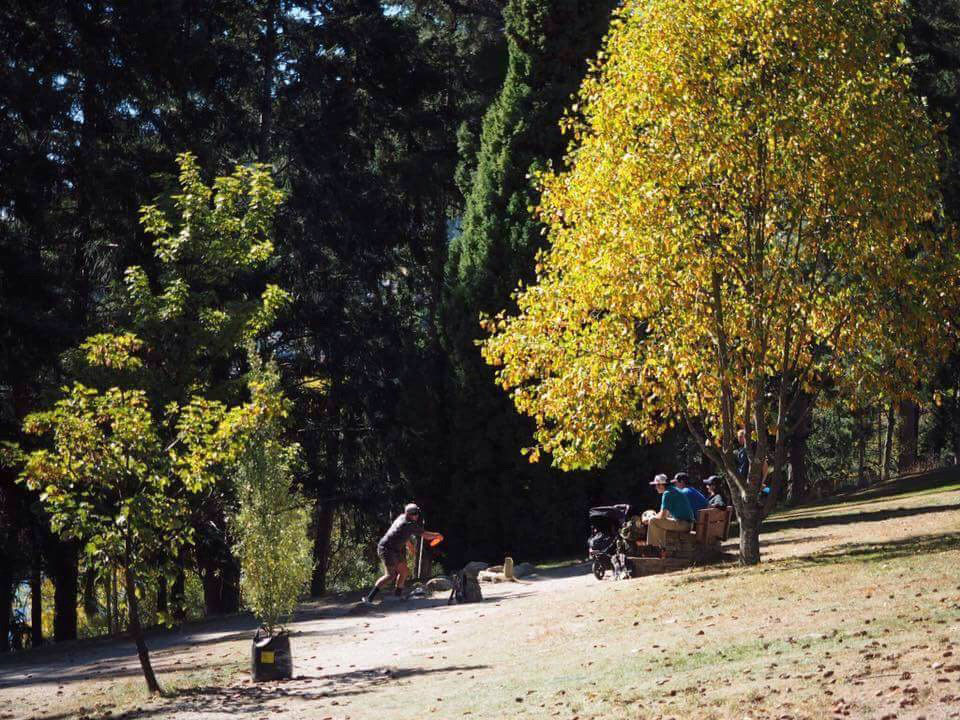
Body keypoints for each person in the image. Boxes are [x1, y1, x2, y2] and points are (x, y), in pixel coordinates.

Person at [364, 503, 440, 603]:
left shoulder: (402, 518)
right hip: (387, 549)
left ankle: (397, 596)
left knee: (404, 572)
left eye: (417, 513)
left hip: (395, 549)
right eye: (413, 513)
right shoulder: (409, 524)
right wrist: (438, 535)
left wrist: (410, 546)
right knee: (390, 575)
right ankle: (369, 598)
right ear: (407, 514)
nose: (416, 515)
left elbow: (401, 534)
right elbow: (425, 535)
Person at [642, 473, 695, 548]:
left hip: (684, 525)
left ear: (661, 485)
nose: (655, 488)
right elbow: (664, 514)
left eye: (656, 485)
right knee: (655, 520)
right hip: (687, 523)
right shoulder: (673, 490)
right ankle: (661, 548)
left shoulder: (667, 493)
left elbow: (662, 516)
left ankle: (654, 548)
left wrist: (649, 518)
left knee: (653, 521)